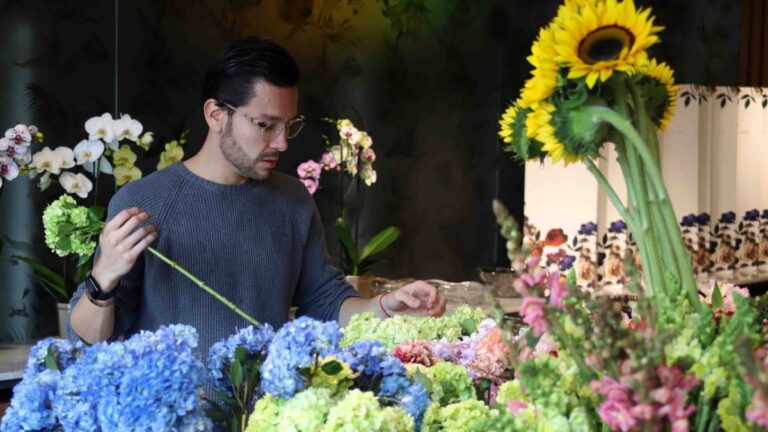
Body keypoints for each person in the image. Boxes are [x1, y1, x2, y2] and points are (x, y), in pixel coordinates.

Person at [68, 37, 447, 354]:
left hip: (269, 415)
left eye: (289, 125)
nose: (281, 142)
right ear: (216, 114)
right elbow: (89, 337)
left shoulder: (293, 201)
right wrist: (103, 278)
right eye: (265, 125)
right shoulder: (143, 203)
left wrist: (386, 307)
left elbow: (327, 303)